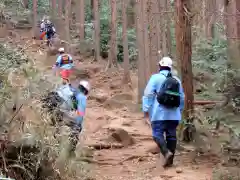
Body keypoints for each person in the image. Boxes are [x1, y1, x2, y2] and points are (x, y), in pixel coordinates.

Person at [142, 57, 185, 168]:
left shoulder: (155, 78)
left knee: (157, 134)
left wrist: (146, 110)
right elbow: (182, 97)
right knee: (171, 136)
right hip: (174, 115)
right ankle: (170, 162)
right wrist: (179, 110)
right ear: (170, 68)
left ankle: (166, 153)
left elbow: (148, 94)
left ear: (160, 66)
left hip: (158, 114)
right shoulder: (177, 80)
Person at [68, 80, 90, 154]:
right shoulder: (82, 97)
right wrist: (78, 125)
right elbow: (80, 113)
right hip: (63, 111)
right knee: (76, 129)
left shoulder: (70, 89)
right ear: (85, 91)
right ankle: (70, 153)